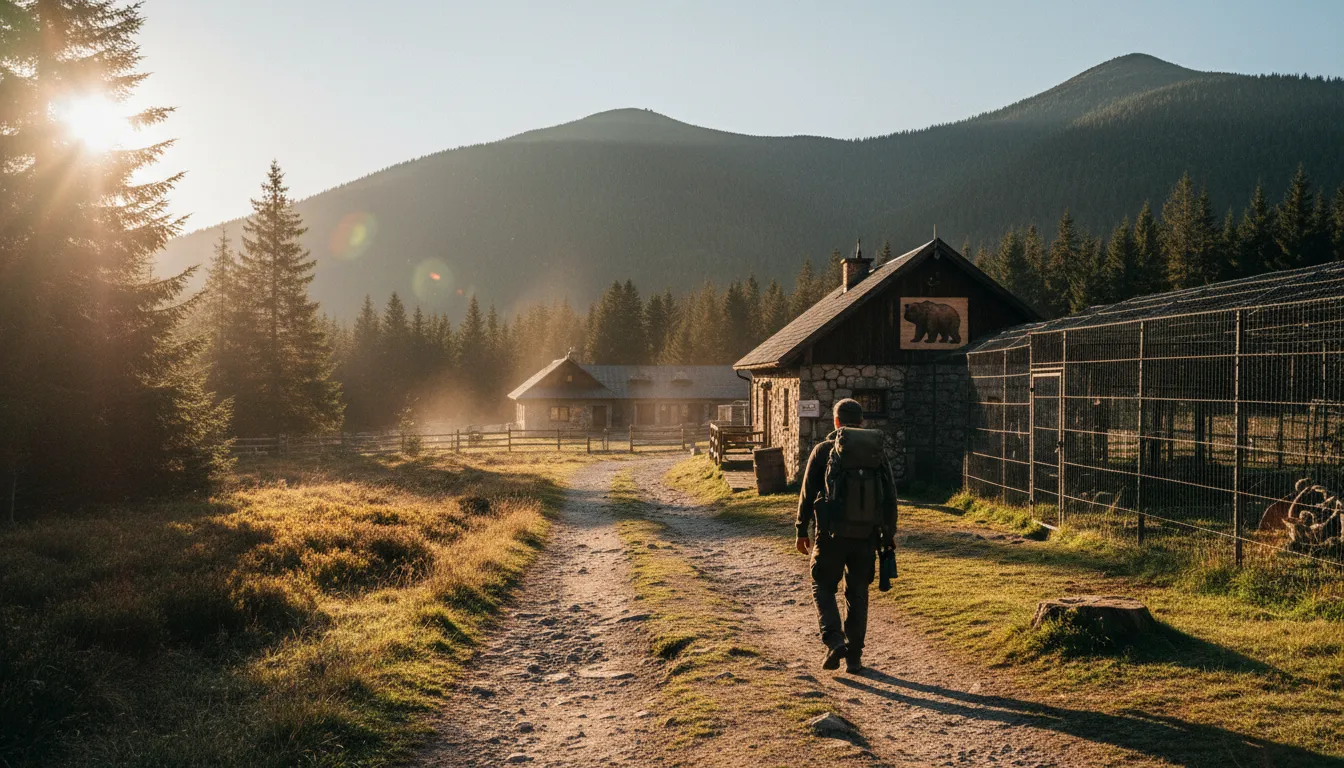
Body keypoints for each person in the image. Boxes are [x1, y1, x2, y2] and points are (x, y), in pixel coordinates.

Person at [795, 398, 897, 673]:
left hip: (830, 535)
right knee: (858, 593)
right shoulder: (876, 453)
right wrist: (888, 534)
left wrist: (801, 529)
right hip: (867, 536)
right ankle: (854, 658)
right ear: (862, 422)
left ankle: (834, 640)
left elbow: (807, 493)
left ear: (836, 422)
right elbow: (889, 496)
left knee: (822, 585)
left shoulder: (823, 450)